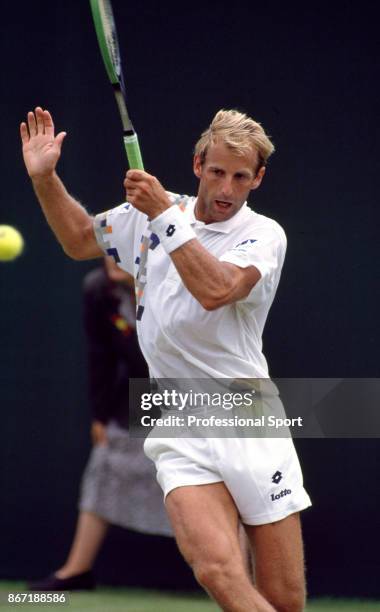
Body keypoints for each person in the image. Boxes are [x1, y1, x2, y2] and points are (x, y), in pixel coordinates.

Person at [21, 106, 311, 611]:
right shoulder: (149, 216)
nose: (226, 187)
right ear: (198, 164)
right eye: (217, 171)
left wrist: (165, 218)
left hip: (250, 421)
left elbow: (216, 290)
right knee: (217, 569)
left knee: (284, 600)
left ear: (256, 180)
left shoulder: (263, 234)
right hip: (179, 423)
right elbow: (77, 239)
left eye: (240, 177)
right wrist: (45, 178)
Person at [29, 257, 172, 591]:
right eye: (109, 247)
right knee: (105, 463)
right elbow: (101, 355)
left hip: (201, 390)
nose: (111, 256)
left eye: (122, 247)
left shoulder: (174, 286)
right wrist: (100, 414)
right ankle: (77, 571)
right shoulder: (99, 290)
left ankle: (244, 576)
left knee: (222, 481)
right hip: (141, 393)